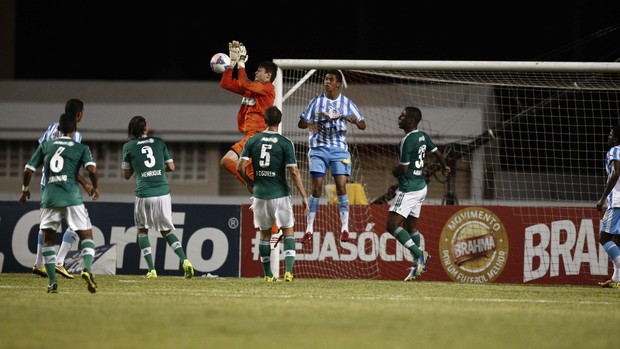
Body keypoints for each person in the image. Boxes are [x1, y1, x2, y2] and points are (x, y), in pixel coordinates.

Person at [19, 112, 100, 293]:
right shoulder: (80, 147)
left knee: (48, 240)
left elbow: (28, 169)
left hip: (49, 197)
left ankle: (52, 283)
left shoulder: (46, 146)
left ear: (59, 129)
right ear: (74, 129)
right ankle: (86, 269)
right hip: (71, 197)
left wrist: (24, 190)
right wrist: (94, 186)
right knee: (87, 236)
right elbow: (92, 170)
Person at [237, 106, 309, 282]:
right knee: (288, 231)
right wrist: (304, 196)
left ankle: (268, 274)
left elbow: (239, 166)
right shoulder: (285, 143)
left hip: (260, 195)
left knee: (264, 235)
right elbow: (293, 171)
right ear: (280, 121)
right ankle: (289, 272)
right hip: (280, 195)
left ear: (265, 120)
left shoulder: (253, 140)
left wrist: (250, 182)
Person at [121, 115, 194, 279]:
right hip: (162, 192)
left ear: (131, 130)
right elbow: (172, 166)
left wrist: (138, 167)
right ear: (146, 128)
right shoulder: (159, 142)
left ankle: (151, 269)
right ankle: (185, 261)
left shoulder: (128, 147)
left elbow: (126, 175)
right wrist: (158, 170)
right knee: (166, 231)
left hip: (144, 193)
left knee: (142, 230)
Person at [298, 69, 366, 244]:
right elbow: (301, 122)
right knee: (316, 187)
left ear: (338, 83)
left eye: (330, 79)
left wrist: (354, 120)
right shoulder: (316, 101)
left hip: (338, 150)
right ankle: (309, 228)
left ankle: (344, 228)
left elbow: (363, 125)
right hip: (318, 148)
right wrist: (311, 123)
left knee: (341, 187)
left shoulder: (347, 103)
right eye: (325, 79)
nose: (326, 82)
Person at [219, 40, 280, 235]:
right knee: (259, 190)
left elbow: (245, 81)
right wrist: (232, 64)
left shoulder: (268, 88)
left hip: (257, 137)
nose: (256, 73)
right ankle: (276, 228)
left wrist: (242, 62)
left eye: (259, 71)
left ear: (268, 75)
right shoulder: (252, 88)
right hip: (250, 136)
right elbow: (226, 83)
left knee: (228, 162)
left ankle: (252, 187)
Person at [387, 107, 450, 281]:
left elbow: (404, 168)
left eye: (403, 115)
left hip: (409, 189)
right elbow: (436, 152)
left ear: (411, 121)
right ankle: (417, 265)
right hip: (421, 186)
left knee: (392, 226)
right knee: (410, 227)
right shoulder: (423, 136)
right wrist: (444, 165)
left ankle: (419, 255)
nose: (399, 117)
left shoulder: (407, 140)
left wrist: (395, 172)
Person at [32, 98, 91, 280]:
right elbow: (71, 167)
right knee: (81, 221)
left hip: (46, 183)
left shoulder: (51, 127)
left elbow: (41, 150)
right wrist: (85, 183)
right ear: (79, 114)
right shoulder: (76, 136)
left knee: (47, 225)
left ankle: (39, 264)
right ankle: (59, 261)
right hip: (65, 185)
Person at [595, 124, 620, 286]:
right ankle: (617, 278)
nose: (608, 137)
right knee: (618, 240)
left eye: (611, 135)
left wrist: (602, 198)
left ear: (616, 138)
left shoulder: (615, 151)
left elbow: (615, 174)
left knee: (604, 238)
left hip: (617, 201)